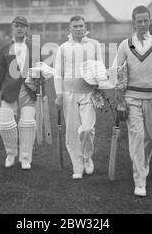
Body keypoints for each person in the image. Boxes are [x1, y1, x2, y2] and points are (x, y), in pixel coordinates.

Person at [115, 5, 152, 197]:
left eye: (145, 20)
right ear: (133, 23)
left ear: (150, 21)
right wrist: (120, 101)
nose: (142, 24)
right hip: (132, 97)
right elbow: (117, 72)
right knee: (137, 136)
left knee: (151, 137)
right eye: (138, 21)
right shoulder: (126, 45)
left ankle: (144, 163)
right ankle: (140, 181)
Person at [54, 15, 102, 180]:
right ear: (70, 29)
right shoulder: (63, 48)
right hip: (69, 94)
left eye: (81, 26)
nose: (78, 29)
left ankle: (87, 157)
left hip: (89, 92)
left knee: (88, 129)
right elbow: (57, 73)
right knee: (72, 132)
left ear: (85, 27)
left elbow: (100, 69)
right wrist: (59, 94)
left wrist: (100, 90)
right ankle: (77, 165)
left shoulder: (94, 45)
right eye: (75, 26)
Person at [0, 16, 40, 170]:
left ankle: (25, 158)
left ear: (27, 29)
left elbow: (42, 70)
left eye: (23, 26)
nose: (19, 29)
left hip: (29, 92)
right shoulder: (5, 49)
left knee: (28, 124)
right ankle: (11, 154)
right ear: (12, 28)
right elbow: (0, 73)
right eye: (17, 26)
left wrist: (40, 83)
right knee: (5, 124)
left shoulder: (35, 48)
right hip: (9, 91)